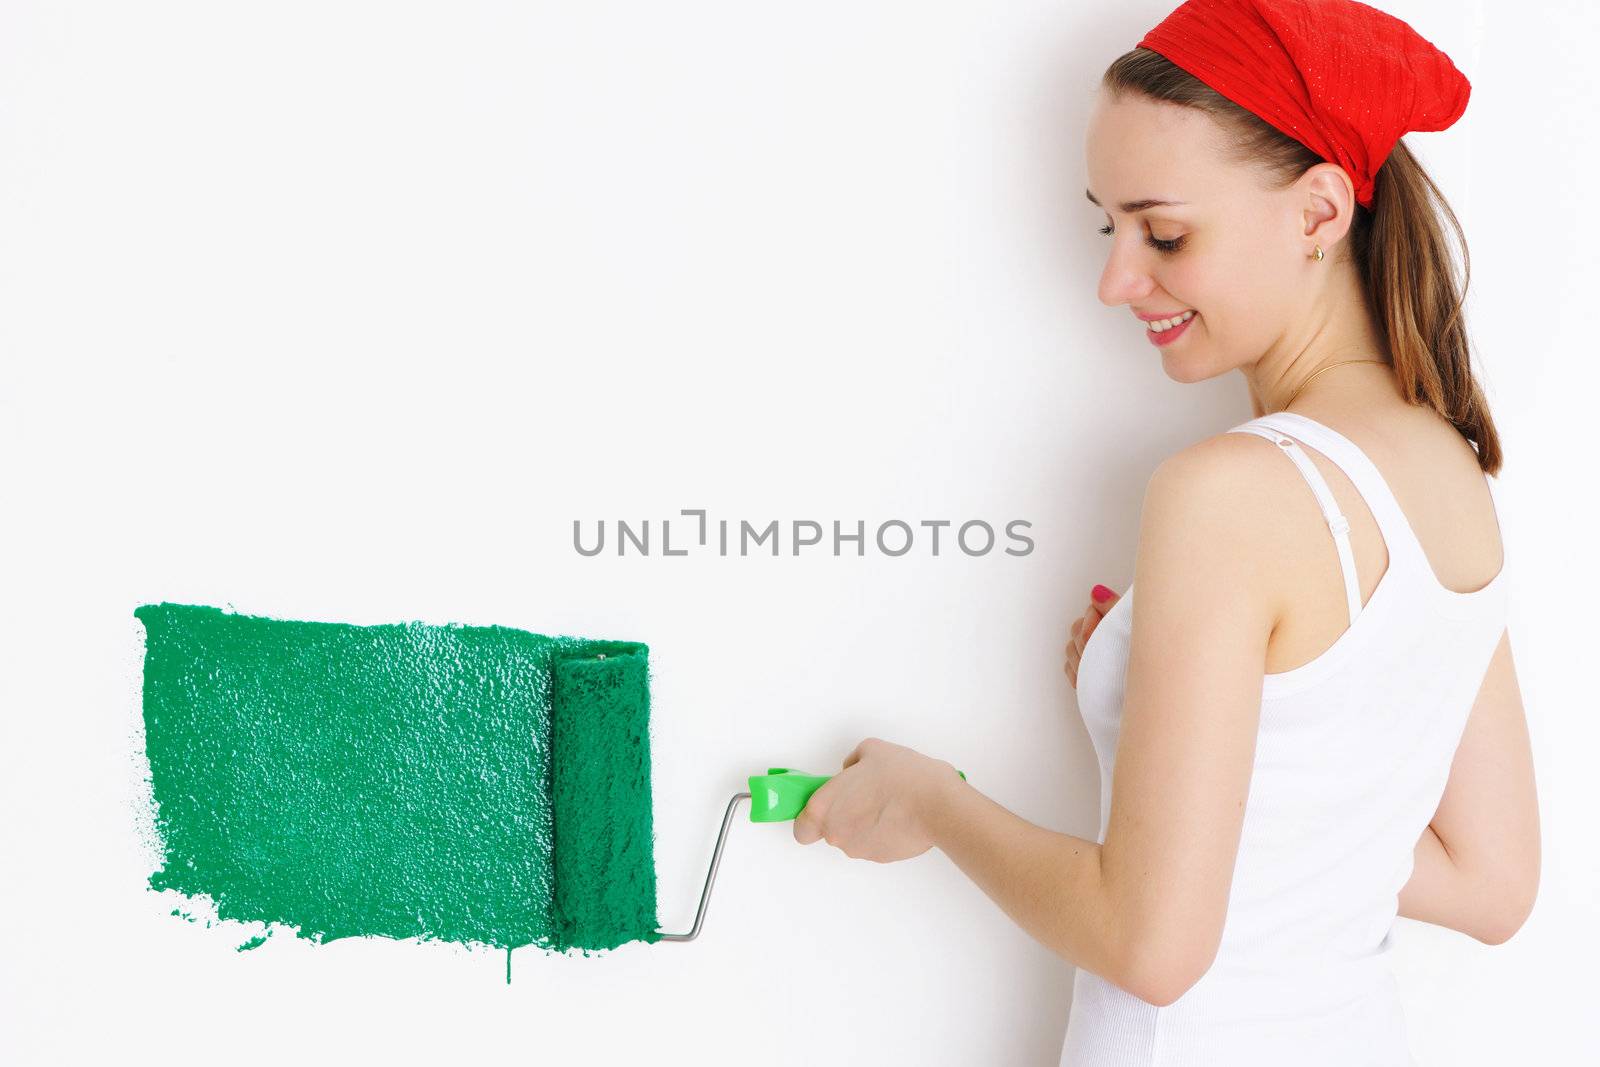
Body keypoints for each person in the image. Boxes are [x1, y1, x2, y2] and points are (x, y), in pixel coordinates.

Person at [791, 1, 1539, 1063]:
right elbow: (1492, 880)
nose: (1114, 279)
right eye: (1110, 226)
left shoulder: (1225, 493)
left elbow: (1149, 945)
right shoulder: (1450, 469)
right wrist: (1187, 750)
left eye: (1165, 233)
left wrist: (929, 801)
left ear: (1319, 210)